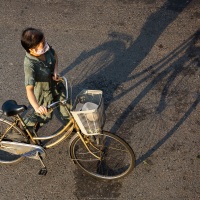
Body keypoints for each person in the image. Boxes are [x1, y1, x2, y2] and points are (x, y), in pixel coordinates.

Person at [21, 27, 69, 131]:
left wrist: (55, 70)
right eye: (42, 43)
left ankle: (74, 128)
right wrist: (37, 107)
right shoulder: (30, 64)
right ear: (32, 49)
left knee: (66, 108)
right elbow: (29, 90)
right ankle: (25, 129)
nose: (45, 44)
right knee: (44, 116)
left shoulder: (45, 49)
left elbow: (54, 55)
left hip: (56, 87)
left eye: (44, 41)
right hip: (44, 94)